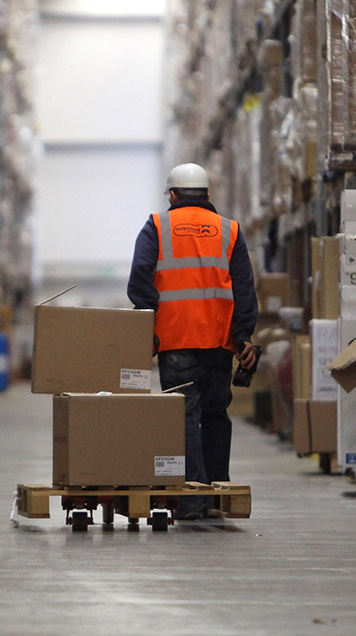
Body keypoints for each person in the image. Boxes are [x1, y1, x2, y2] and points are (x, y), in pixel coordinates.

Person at [127, 162, 259, 520]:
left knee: (184, 417)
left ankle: (192, 499)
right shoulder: (229, 230)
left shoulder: (157, 226)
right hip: (219, 343)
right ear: (207, 196)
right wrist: (243, 334)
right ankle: (217, 492)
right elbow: (245, 288)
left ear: (172, 195)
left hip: (176, 341)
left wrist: (149, 320)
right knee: (217, 414)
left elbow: (139, 280)